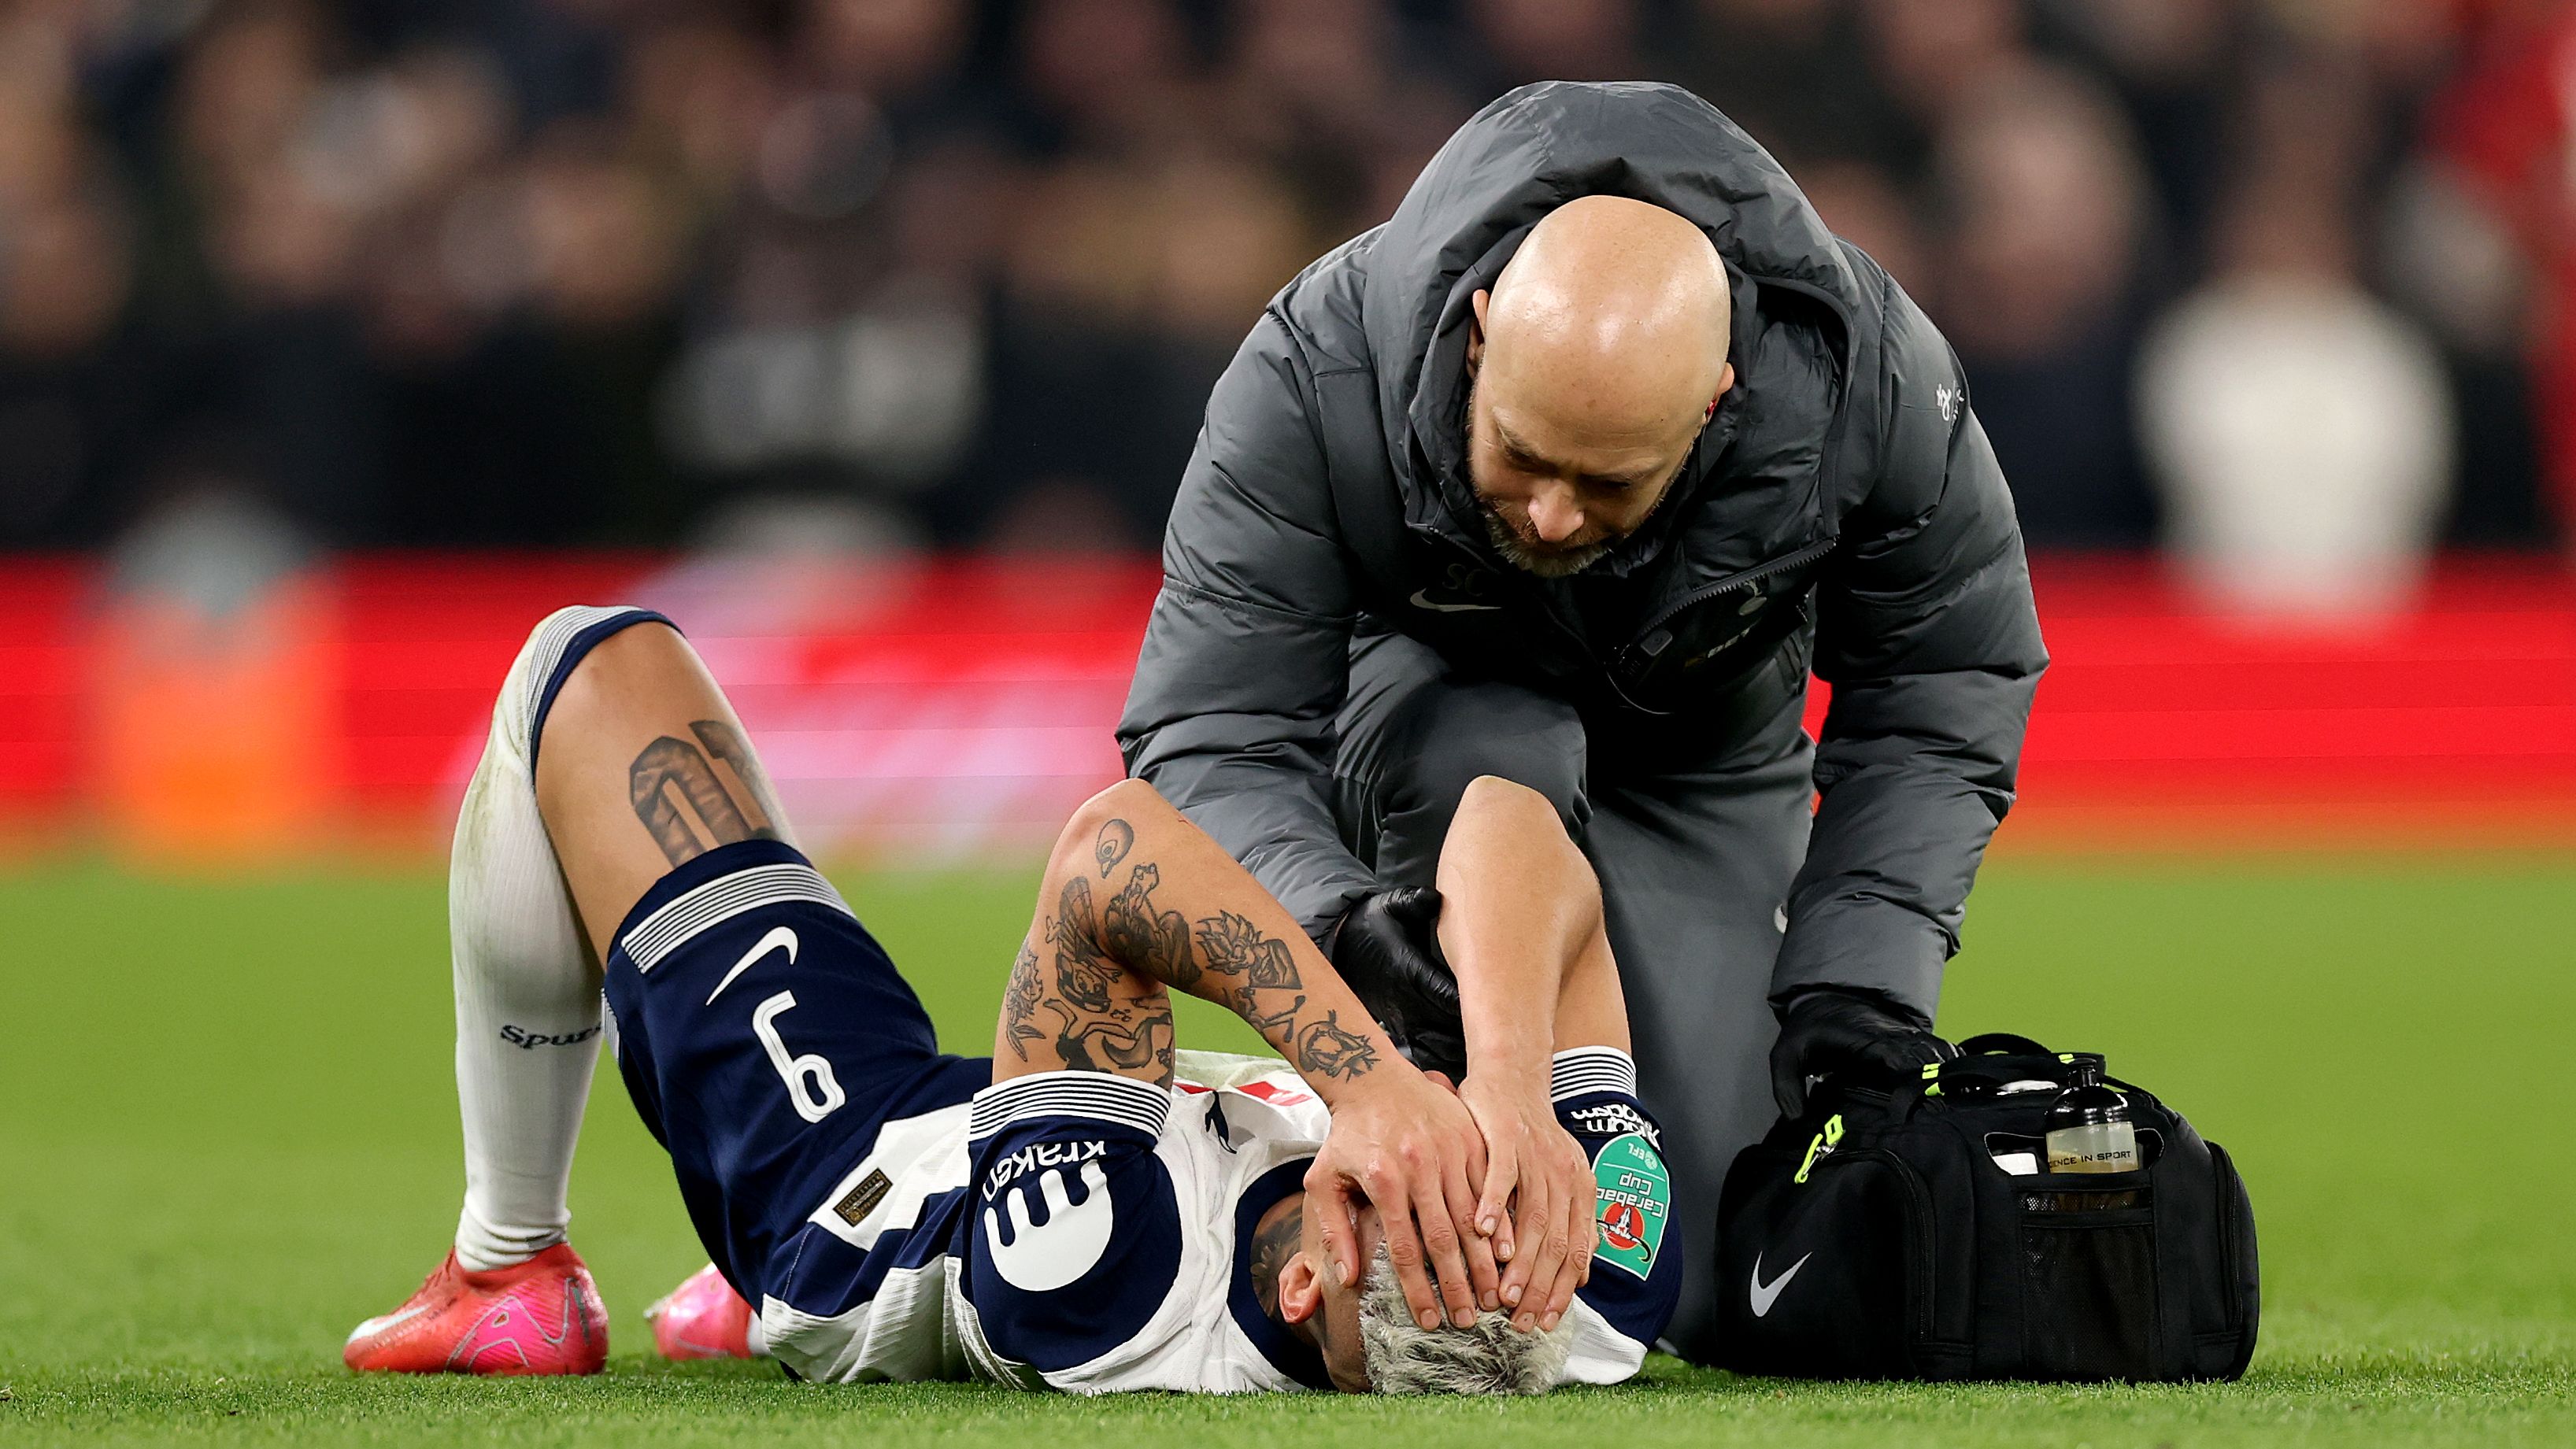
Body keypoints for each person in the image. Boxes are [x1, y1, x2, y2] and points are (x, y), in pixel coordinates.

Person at [1117, 80, 2048, 1358]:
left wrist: (1859, 986)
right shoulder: (1314, 366)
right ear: (1483, 330)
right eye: (1523, 456)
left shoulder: (1871, 387)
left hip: (1706, 751)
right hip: (1429, 734)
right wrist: (1342, 928)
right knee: (1489, 757)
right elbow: (1211, 727)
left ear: (1715, 400)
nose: (1552, 516)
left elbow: (1948, 684)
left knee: (1714, 1280)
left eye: (1605, 481)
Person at [342, 606, 1679, 1392]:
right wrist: (1510, 1086)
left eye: (1430, 1190)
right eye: (1495, 1183)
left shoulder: (1112, 1272)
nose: (1453, 1149)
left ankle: (511, 1267)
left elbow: (1111, 854)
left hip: (852, 1177)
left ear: (1306, 1283)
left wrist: (1368, 1080)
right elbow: (1516, 826)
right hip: (1069, 1110)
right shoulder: (1594, 1288)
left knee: (584, 663)